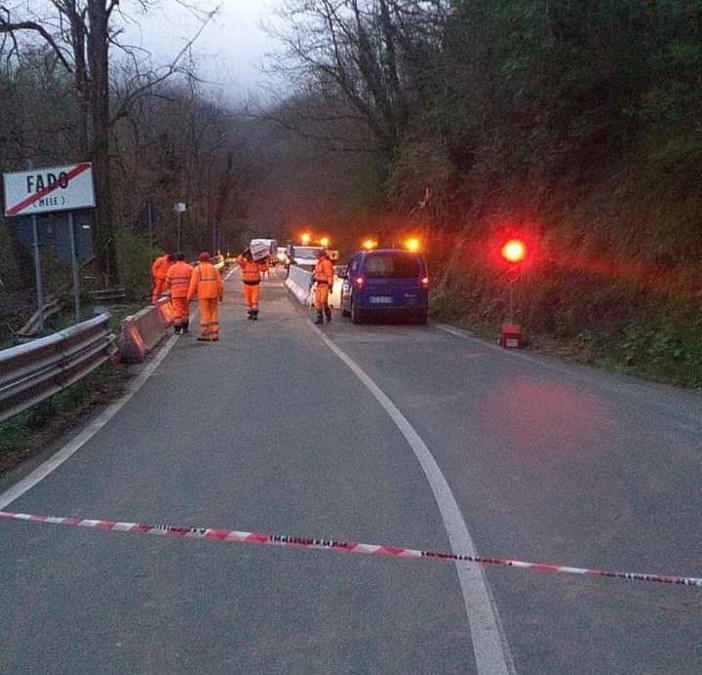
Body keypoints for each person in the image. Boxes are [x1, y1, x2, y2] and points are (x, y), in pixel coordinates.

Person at [187, 251, 224, 341]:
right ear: (209, 259)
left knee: (204, 314)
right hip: (213, 293)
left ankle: (205, 334)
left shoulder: (197, 269)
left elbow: (193, 285)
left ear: (200, 259)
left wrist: (189, 297)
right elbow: (220, 283)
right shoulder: (214, 269)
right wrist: (221, 294)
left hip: (203, 294)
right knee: (214, 313)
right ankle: (214, 334)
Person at [236, 248, 268, 320]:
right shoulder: (246, 263)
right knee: (249, 300)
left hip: (253, 284)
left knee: (253, 300)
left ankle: (254, 314)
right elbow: (238, 260)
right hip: (249, 284)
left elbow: (264, 268)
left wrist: (263, 261)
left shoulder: (254, 263)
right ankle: (251, 313)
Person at [165, 252, 193, 334]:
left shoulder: (171, 269)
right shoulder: (189, 268)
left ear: (176, 259)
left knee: (177, 311)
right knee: (185, 311)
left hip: (176, 294)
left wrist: (170, 288)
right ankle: (185, 328)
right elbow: (193, 281)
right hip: (186, 293)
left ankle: (177, 330)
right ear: (184, 258)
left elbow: (167, 282)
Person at [312, 248, 334, 324]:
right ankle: (319, 318)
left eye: (317, 254)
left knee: (323, 301)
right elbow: (317, 273)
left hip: (325, 284)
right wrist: (314, 278)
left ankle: (328, 315)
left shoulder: (326, 263)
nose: (316, 255)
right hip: (318, 284)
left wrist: (330, 285)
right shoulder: (318, 263)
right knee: (318, 301)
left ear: (321, 254)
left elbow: (329, 275)